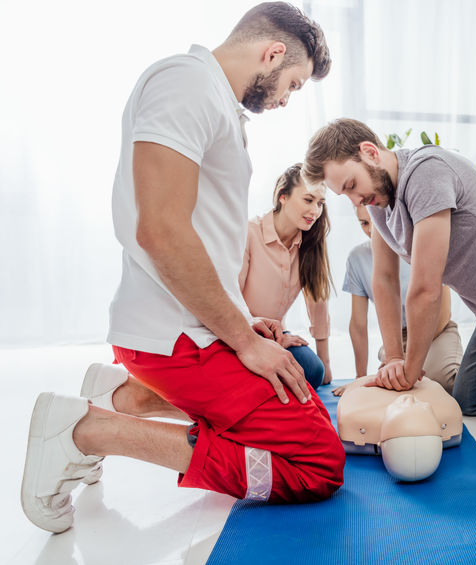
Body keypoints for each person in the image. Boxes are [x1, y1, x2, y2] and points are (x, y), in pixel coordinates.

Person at [21, 2, 344, 535]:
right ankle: (85, 430)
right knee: (317, 463)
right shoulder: (186, 84)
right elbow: (162, 231)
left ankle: (121, 396)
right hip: (175, 339)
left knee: (303, 400)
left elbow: (204, 238)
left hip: (194, 328)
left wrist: (244, 320)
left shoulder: (214, 101)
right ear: (272, 53)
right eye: (293, 83)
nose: (287, 99)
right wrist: (243, 341)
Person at [303, 118, 476, 420]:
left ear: (370, 152)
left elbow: (426, 288)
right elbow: (384, 279)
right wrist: (393, 357)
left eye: (352, 185)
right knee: (468, 401)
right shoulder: (379, 203)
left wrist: (409, 370)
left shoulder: (426, 172)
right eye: (346, 194)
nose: (356, 200)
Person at [339, 205, 463, 393]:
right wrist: (359, 378)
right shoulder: (357, 258)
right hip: (399, 335)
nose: (372, 230)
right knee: (400, 380)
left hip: (437, 330)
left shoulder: (420, 246)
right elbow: (358, 324)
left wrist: (414, 359)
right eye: (364, 223)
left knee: (446, 382)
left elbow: (444, 312)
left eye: (375, 222)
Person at [239, 163, 333, 390]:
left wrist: (325, 362)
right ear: (283, 196)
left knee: (313, 370)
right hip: (239, 333)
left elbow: (317, 300)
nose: (315, 211)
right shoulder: (249, 233)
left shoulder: (310, 243)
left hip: (277, 336)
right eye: (308, 200)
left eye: (320, 203)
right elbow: (230, 297)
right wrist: (260, 339)